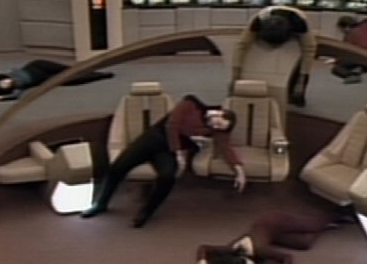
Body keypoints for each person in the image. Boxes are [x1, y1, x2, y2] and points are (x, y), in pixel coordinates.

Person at [81, 94, 245, 228]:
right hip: (154, 139)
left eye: (219, 128)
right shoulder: (191, 103)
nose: (216, 128)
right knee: (118, 167)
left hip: (167, 151)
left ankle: (146, 212)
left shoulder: (215, 130)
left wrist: (239, 170)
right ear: (219, 113)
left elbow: (226, 148)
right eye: (218, 124)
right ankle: (101, 204)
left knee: (167, 177)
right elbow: (171, 126)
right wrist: (179, 153)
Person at [194, 209, 341, 264]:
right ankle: (325, 228)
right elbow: (204, 249)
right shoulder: (231, 250)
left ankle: (337, 214)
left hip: (275, 220)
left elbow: (287, 257)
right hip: (271, 235)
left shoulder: (260, 250)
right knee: (305, 244)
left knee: (312, 225)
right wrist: (202, 261)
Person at [230, 5, 318, 106]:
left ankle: (296, 95)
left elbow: (309, 50)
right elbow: (241, 45)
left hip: (292, 28)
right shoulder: (258, 21)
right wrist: (235, 75)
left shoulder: (300, 24)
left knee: (297, 63)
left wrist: (301, 80)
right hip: (268, 22)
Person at [0, 59, 113, 101]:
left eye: (3, 82)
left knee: (69, 69)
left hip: (38, 65)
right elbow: (14, 97)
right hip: (46, 77)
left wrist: (1, 85)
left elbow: (0, 76)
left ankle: (94, 70)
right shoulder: (18, 87)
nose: (5, 82)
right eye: (4, 85)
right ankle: (102, 75)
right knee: (73, 80)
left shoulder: (8, 74)